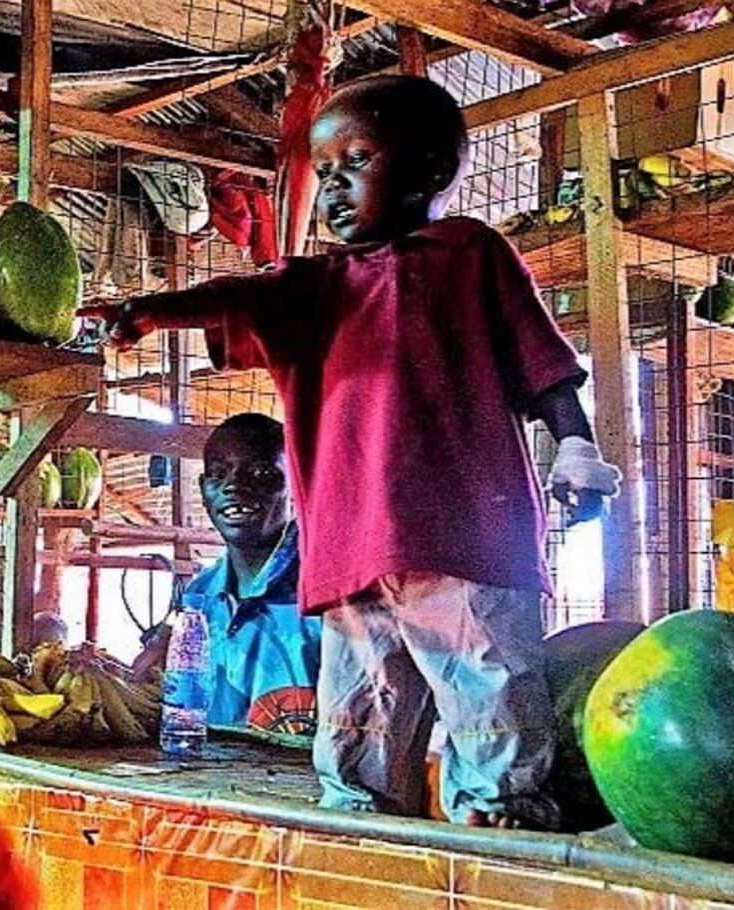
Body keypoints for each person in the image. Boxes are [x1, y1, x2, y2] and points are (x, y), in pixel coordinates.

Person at [83, 75, 623, 829]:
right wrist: (148, 311)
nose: (335, 187)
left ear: (429, 170)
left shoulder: (470, 254)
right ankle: (361, 851)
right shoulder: (315, 289)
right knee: (354, 744)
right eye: (324, 172)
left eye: (356, 161)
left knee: (491, 728)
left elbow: (544, 368)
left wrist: (575, 446)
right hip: (350, 562)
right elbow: (243, 296)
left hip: (464, 549)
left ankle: (498, 849)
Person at [134, 413, 321, 735]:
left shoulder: (329, 593)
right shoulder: (201, 596)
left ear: (298, 483)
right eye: (218, 474)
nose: (234, 486)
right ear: (204, 489)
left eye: (261, 472)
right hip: (212, 781)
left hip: (306, 784)